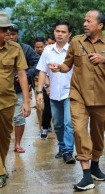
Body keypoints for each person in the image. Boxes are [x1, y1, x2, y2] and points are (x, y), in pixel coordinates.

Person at [48, 9, 105, 191]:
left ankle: (95, 165)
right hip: (78, 95)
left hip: (101, 98)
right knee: (79, 132)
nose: (85, 24)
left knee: (98, 135)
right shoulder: (76, 41)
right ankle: (86, 175)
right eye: (84, 21)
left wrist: (104, 60)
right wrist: (59, 67)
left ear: (100, 25)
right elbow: (68, 65)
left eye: (89, 21)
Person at [0, 12, 31, 189]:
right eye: (4, 29)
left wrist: (26, 101)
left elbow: (22, 74)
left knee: (4, 137)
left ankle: (0, 167)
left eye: (8, 29)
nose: (8, 32)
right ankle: (0, 172)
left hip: (7, 99)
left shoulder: (15, 49)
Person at [36, 20, 75, 164]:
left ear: (69, 34)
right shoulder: (47, 50)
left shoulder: (73, 50)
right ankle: (62, 146)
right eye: (57, 31)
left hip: (70, 93)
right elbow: (42, 71)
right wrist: (39, 91)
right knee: (58, 124)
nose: (60, 34)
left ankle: (68, 151)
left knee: (69, 123)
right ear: (54, 32)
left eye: (63, 32)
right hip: (53, 94)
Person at [9, 24, 40, 153]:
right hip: (0, 91)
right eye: (8, 34)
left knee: (19, 117)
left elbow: (38, 62)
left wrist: (26, 75)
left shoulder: (25, 49)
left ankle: (17, 143)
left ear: (18, 35)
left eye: (13, 34)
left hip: (19, 89)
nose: (10, 37)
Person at [33, 37, 52, 139]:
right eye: (37, 47)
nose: (39, 49)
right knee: (40, 105)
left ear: (44, 46)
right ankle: (43, 126)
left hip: (50, 81)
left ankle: (47, 123)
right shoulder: (32, 55)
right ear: (34, 47)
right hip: (37, 83)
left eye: (41, 46)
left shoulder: (49, 53)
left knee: (49, 106)